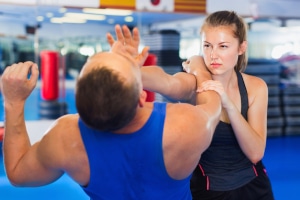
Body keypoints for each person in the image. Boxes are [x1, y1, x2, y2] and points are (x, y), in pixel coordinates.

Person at [1, 38, 221, 199]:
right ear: (142, 96)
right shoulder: (187, 125)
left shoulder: (65, 137)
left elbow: (18, 172)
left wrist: (13, 102)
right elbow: (213, 103)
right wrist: (199, 70)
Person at [107, 10, 274, 200]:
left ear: (241, 48)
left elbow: (255, 152)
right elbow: (166, 82)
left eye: (223, 46)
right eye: (207, 46)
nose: (213, 55)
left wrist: (228, 104)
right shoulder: (194, 83)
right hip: (208, 191)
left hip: (255, 188)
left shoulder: (255, 87)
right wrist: (129, 69)